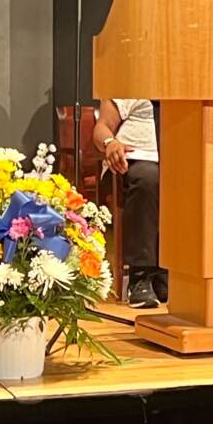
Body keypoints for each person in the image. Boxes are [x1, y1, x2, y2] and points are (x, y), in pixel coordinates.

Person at [93, 99, 162, 308]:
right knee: (148, 178)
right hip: (135, 159)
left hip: (179, 158)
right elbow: (102, 127)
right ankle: (140, 276)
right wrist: (110, 143)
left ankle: (174, 274)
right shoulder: (132, 80)